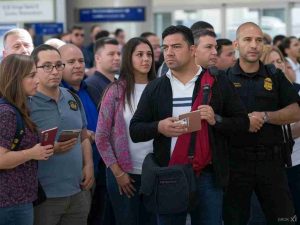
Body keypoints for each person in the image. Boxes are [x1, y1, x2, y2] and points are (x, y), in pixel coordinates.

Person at [130, 25, 249, 225]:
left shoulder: (217, 83)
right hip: (169, 174)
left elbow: (243, 123)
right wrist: (159, 127)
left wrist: (216, 120)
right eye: (165, 47)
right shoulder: (156, 87)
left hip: (207, 176)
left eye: (176, 46)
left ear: (192, 50)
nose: (169, 52)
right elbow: (135, 130)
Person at [224, 22, 300, 225]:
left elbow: (296, 111)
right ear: (236, 44)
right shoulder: (223, 79)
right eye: (247, 40)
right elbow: (214, 118)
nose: (254, 45)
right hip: (235, 164)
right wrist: (243, 122)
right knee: (234, 220)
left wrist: (266, 116)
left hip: (272, 163)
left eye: (259, 40)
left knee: (285, 220)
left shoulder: (274, 76)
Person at [29, 44, 94, 225]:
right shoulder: (27, 103)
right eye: (47, 66)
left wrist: (88, 165)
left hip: (78, 191)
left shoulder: (72, 97)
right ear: (34, 68)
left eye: (58, 65)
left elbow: (83, 136)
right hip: (44, 196)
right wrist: (48, 148)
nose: (55, 71)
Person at [95, 37, 157, 225]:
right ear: (128, 58)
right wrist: (118, 173)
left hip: (154, 172)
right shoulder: (115, 91)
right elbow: (101, 137)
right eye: (139, 54)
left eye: (149, 55)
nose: (145, 59)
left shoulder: (160, 88)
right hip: (123, 173)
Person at [0, 54, 53, 225]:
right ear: (15, 79)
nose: (37, 80)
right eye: (31, 76)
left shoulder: (18, 108)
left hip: (20, 198)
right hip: (9, 202)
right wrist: (32, 153)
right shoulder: (7, 113)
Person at [85, 37, 121, 107]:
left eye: (119, 54)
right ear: (98, 58)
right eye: (111, 54)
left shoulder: (119, 83)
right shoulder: (91, 85)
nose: (117, 58)